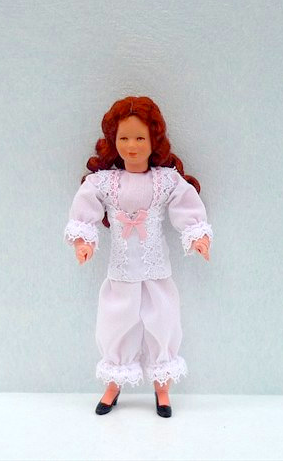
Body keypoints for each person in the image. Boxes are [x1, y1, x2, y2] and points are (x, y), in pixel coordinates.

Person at [64, 96, 212, 418]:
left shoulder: (164, 180)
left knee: (164, 319)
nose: (131, 146)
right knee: (116, 321)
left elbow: (185, 202)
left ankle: (162, 387)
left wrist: (196, 234)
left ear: (154, 140)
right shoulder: (105, 182)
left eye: (140, 138)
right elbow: (85, 207)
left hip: (155, 267)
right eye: (124, 138)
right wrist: (83, 241)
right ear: (113, 140)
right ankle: (114, 382)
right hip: (121, 269)